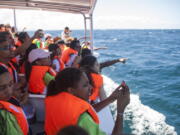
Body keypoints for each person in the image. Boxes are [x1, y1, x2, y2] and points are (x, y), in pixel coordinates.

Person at [45, 68, 130, 135]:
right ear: (71, 90)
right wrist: (120, 111)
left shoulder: (55, 98)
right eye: (85, 85)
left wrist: (110, 99)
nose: (90, 87)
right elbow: (82, 116)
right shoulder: (84, 119)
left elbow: (81, 111)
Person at [0, 66, 29, 135]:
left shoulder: (8, 99)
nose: (9, 91)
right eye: (1, 88)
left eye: (10, 84)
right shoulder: (2, 116)